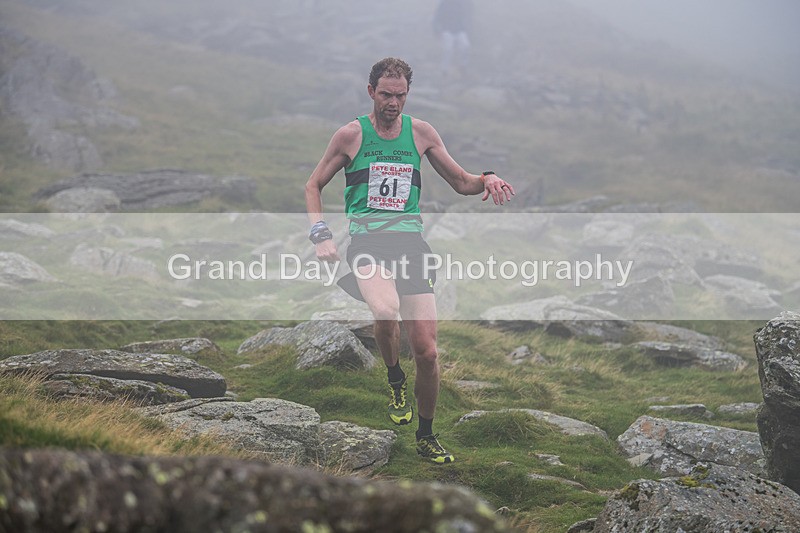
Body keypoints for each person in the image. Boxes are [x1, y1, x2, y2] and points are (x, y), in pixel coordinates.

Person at [305, 57, 514, 464]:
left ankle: (426, 435)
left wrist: (486, 177)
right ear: (371, 92)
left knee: (429, 353)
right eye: (385, 94)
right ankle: (395, 378)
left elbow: (460, 182)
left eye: (400, 95)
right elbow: (313, 184)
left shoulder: (421, 133)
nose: (393, 103)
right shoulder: (351, 135)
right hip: (368, 244)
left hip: (411, 247)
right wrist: (320, 234)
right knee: (385, 310)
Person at [433, 0, 474, 77]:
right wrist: (437, 30)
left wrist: (467, 28)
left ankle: (462, 66)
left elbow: (465, 16)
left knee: (466, 46)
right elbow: (437, 17)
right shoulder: (444, 4)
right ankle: (444, 69)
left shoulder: (460, 3)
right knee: (448, 49)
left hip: (459, 29)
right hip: (447, 30)